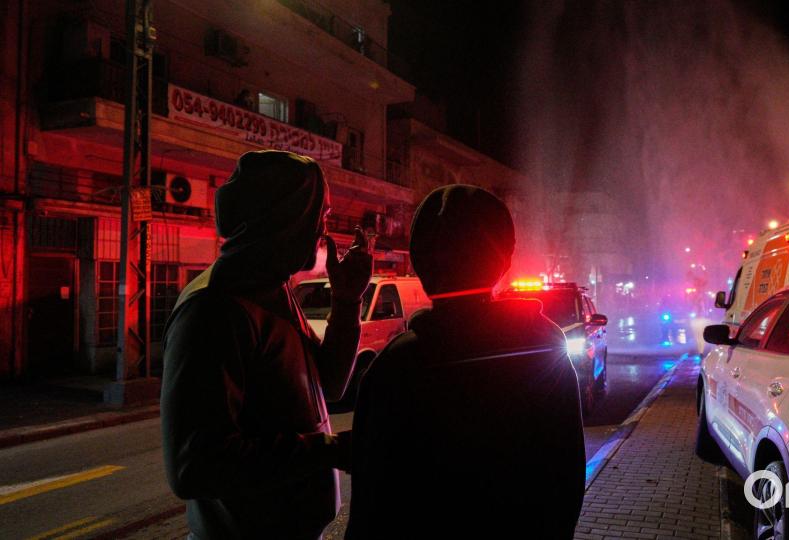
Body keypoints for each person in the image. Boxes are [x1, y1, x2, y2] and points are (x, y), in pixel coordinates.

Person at [346, 185, 585, 539]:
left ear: (420, 261)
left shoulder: (394, 367)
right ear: (504, 259)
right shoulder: (544, 350)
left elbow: (372, 500)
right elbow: (565, 477)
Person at [161, 150, 372, 539]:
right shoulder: (215, 309)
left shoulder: (274, 290)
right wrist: (327, 450)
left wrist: (346, 302)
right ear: (285, 218)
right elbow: (194, 466)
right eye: (320, 215)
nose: (324, 232)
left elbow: (329, 385)